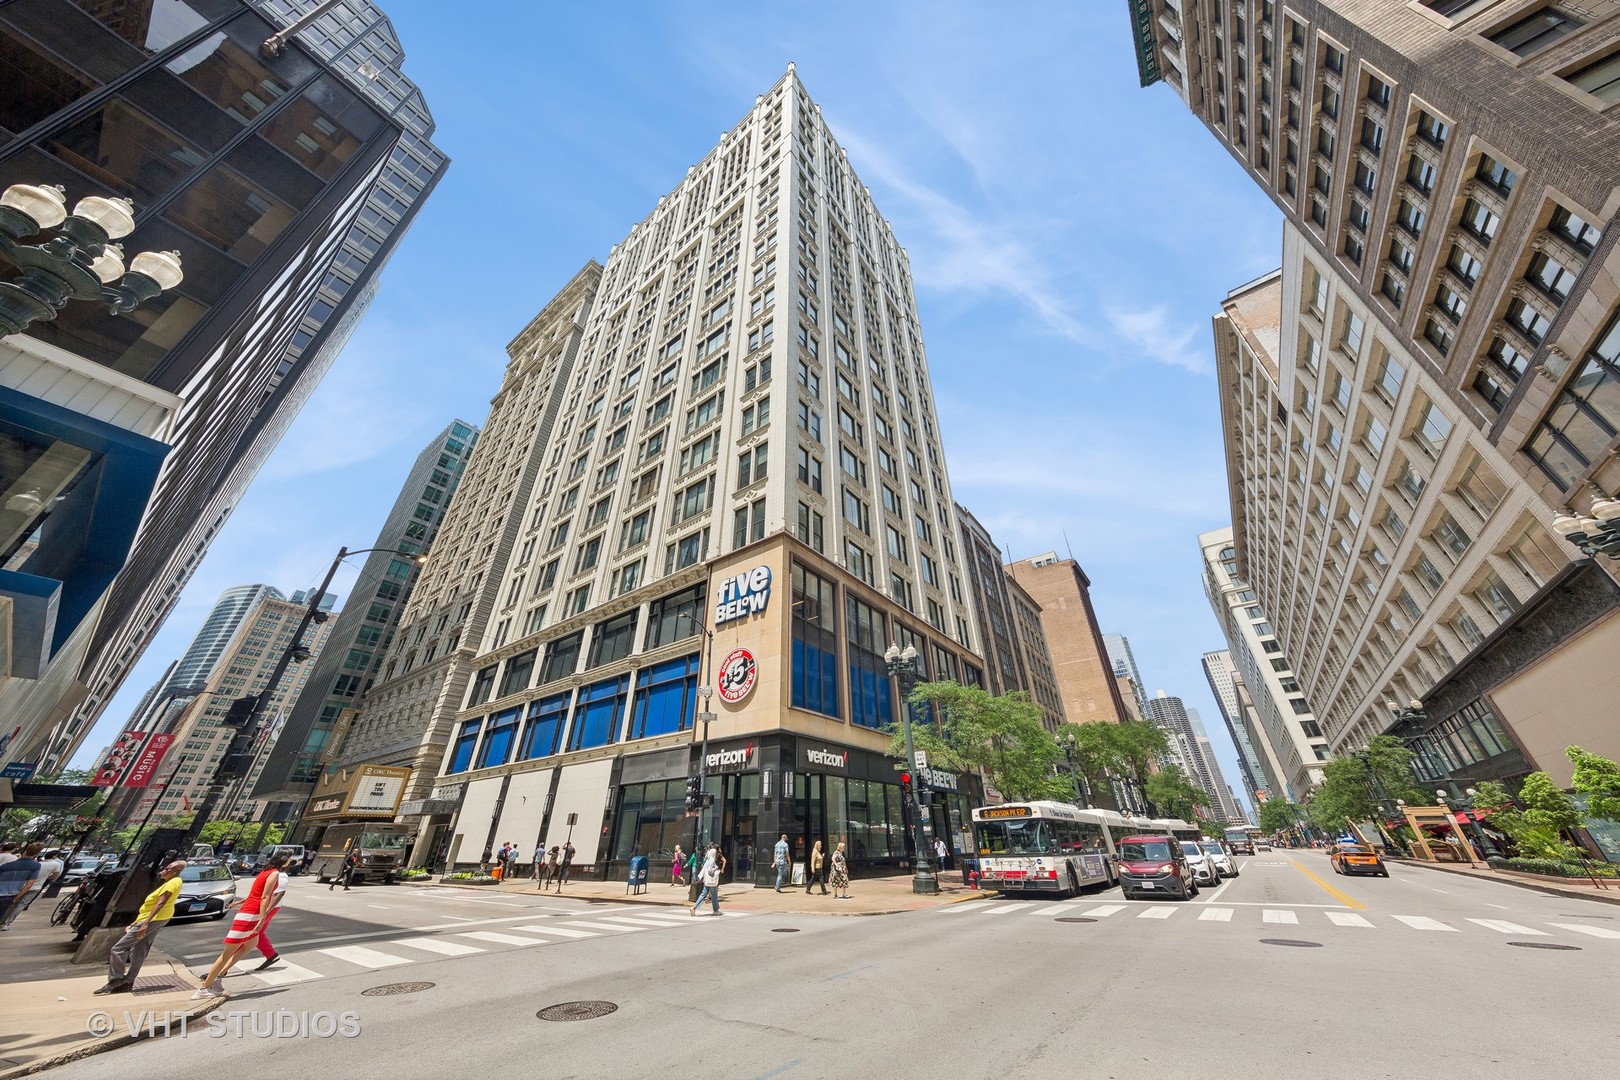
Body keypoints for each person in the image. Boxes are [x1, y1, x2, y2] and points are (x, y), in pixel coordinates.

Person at [193, 852, 292, 998]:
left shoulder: (265, 871)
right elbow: (264, 897)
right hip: (251, 914)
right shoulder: (274, 874)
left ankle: (218, 977)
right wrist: (262, 918)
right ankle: (205, 987)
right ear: (284, 861)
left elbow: (255, 893)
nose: (290, 863)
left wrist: (240, 902)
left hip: (249, 911)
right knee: (227, 953)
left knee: (250, 944)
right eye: (289, 860)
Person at [96, 859, 186, 994]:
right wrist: (137, 922)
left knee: (118, 948)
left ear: (176, 871)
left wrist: (145, 924)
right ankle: (128, 981)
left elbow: (160, 903)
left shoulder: (173, 883)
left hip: (154, 919)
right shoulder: (170, 882)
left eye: (168, 868)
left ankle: (116, 979)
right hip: (157, 918)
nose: (164, 870)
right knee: (140, 949)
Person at [0, 843, 44, 930]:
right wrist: (17, 897)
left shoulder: (6, 866)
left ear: (25, 851)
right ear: (36, 854)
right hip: (9, 895)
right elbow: (29, 885)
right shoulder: (35, 866)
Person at [690, 845, 722, 916]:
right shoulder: (712, 860)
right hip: (711, 881)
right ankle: (716, 910)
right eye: (715, 853)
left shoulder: (707, 859)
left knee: (703, 894)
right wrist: (715, 868)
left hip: (706, 880)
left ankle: (694, 907)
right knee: (714, 895)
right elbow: (710, 871)